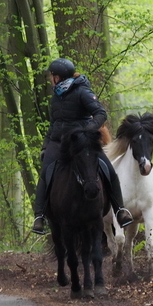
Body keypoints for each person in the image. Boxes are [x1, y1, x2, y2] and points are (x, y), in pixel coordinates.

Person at [32, 58, 133, 235]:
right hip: (58, 142)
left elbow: (100, 114)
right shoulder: (56, 96)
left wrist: (86, 132)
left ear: (58, 77)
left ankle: (120, 210)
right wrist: (45, 145)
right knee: (45, 174)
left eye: (52, 76)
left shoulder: (82, 92)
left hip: (82, 142)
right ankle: (39, 216)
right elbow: (54, 123)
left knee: (108, 170)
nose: (50, 79)